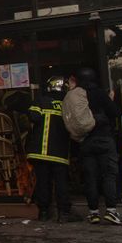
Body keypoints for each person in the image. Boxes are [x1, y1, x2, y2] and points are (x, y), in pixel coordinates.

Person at [26, 78, 81, 222]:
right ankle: (64, 213)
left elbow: (33, 116)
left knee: (43, 181)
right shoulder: (67, 104)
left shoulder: (41, 101)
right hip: (60, 152)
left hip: (41, 151)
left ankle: (44, 212)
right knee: (61, 182)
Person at [72, 68, 122, 225]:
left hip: (86, 140)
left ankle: (93, 212)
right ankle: (111, 211)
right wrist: (110, 100)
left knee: (90, 177)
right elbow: (115, 112)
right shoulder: (100, 94)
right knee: (109, 175)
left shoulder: (77, 96)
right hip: (104, 138)